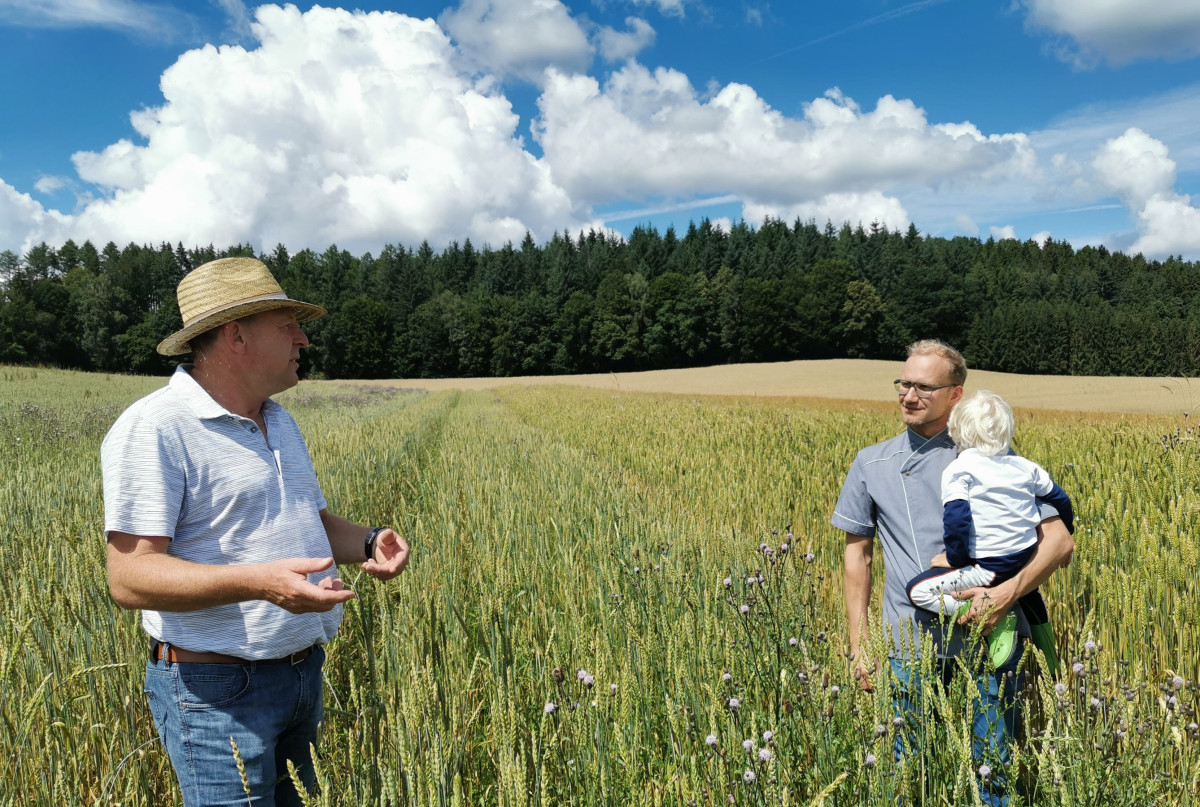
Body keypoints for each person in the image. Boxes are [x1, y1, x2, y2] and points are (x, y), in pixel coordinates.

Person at [102, 256, 411, 806]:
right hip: (216, 696)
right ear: (235, 335)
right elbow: (129, 577)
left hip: (300, 677)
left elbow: (309, 522)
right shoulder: (155, 428)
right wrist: (260, 584)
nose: (303, 340)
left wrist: (368, 540)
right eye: (286, 326)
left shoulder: (279, 419)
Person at [831, 339, 1074, 806]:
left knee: (994, 770)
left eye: (924, 386)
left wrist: (1006, 594)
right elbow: (856, 557)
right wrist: (860, 647)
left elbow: (1059, 541)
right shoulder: (871, 463)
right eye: (904, 384)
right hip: (906, 647)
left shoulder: (994, 457)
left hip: (990, 639)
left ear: (955, 394)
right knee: (905, 776)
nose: (908, 395)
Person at [906, 390, 1074, 672]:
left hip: (989, 568)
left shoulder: (960, 469)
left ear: (955, 430)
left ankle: (984, 613)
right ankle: (1052, 662)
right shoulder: (1026, 467)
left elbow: (957, 519)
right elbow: (1061, 500)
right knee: (1031, 595)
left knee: (917, 592)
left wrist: (955, 559)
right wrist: (1067, 533)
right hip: (1025, 558)